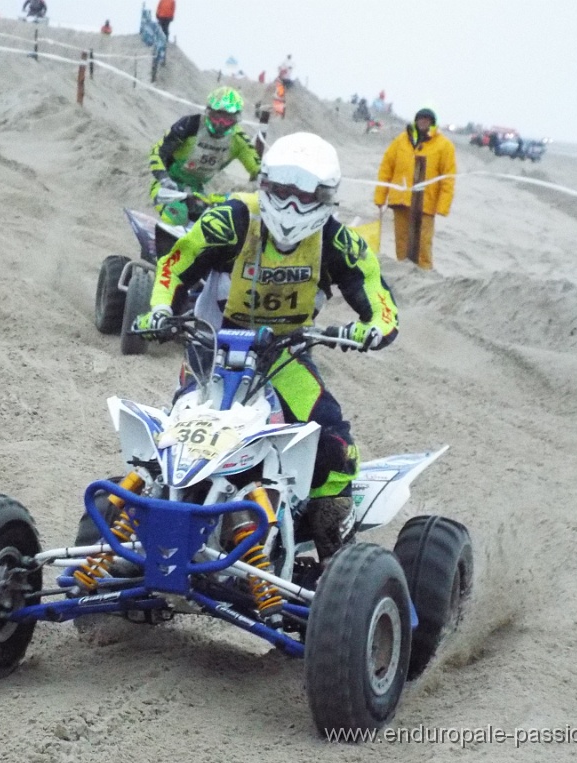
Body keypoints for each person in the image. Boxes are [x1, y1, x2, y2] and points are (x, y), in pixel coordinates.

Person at [134, 132, 400, 565]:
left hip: (285, 353)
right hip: (212, 347)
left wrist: (372, 329)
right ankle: (148, 517)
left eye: (304, 195)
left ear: (326, 198)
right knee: (174, 442)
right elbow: (177, 262)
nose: (291, 206)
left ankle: (335, 559)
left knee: (332, 442)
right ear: (266, 185)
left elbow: (376, 294)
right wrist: (162, 309)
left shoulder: (337, 241)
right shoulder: (234, 218)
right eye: (282, 191)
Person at [148, 85, 261, 226]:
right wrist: (163, 178)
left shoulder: (239, 140)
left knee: (213, 225)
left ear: (236, 119)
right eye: (217, 117)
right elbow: (158, 152)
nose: (221, 124)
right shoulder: (190, 125)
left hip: (198, 192)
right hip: (169, 184)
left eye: (227, 119)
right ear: (208, 112)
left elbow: (258, 168)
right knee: (177, 217)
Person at [373, 107, 456, 270]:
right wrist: (380, 197)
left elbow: (448, 178)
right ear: (416, 120)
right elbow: (386, 168)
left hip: (426, 204)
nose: (423, 121)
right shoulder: (401, 140)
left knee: (423, 245)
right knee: (401, 243)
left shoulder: (444, 145)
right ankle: (403, 274)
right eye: (421, 118)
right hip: (401, 201)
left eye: (427, 119)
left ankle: (424, 276)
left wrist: (443, 206)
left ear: (432, 123)